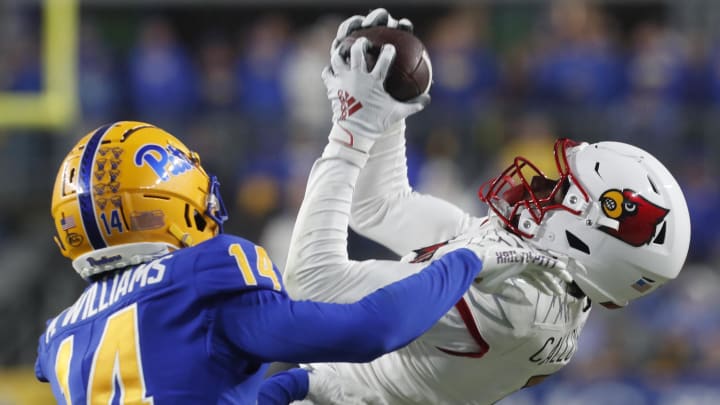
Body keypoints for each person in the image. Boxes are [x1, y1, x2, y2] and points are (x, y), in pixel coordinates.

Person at [259, 9, 691, 405]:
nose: (541, 185)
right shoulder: (540, 275)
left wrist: (350, 126)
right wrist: (390, 108)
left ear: (593, 235)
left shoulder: (518, 302)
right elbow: (379, 207)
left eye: (563, 189)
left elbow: (312, 282)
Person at [34, 121, 570, 404]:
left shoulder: (59, 336)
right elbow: (372, 331)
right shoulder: (199, 274)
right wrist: (467, 259)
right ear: (170, 198)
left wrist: (294, 386)